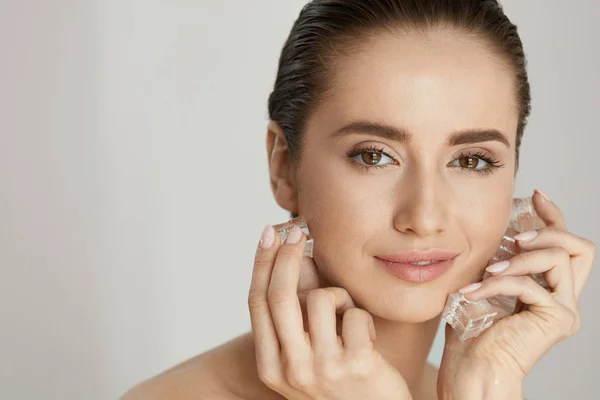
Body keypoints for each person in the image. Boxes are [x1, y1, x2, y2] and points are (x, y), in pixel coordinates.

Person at [122, 0, 596, 398]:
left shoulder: (476, 388)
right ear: (284, 167)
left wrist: (489, 380)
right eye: (374, 155)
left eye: (471, 160)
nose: (424, 217)